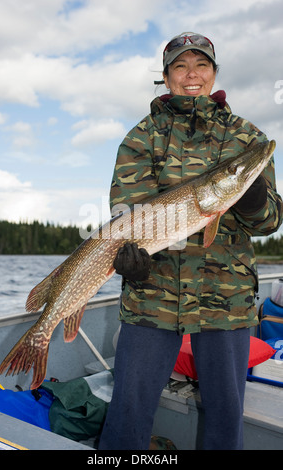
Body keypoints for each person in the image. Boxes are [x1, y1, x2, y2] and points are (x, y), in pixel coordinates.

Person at [98, 32, 283, 450]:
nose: (192, 74)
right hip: (151, 296)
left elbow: (270, 219)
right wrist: (130, 260)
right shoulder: (141, 138)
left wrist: (251, 197)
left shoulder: (246, 137)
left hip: (227, 297)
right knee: (128, 413)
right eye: (180, 66)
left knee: (224, 416)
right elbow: (126, 215)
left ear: (214, 73)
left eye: (201, 65)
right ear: (166, 78)